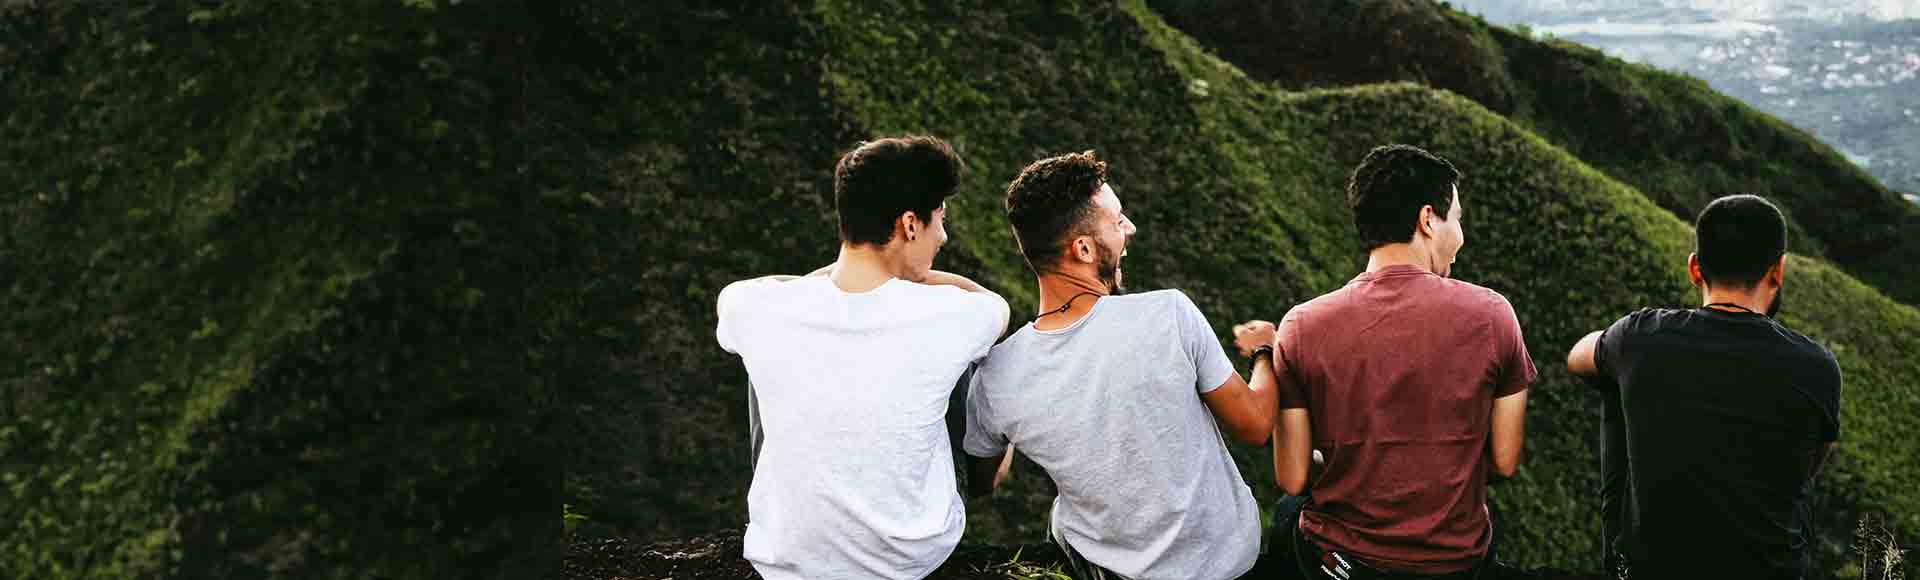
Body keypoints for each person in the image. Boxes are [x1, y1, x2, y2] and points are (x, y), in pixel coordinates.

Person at [961, 150, 1278, 580]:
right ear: (1084, 248)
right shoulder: (1169, 314)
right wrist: (1264, 351)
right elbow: (1256, 424)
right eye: (1117, 220)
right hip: (1228, 564)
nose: (1130, 228)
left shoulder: (997, 376)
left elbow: (982, 481)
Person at [715, 135, 1010, 580]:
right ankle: (975, 487)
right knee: (969, 360)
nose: (943, 237)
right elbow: (996, 308)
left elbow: (737, 295)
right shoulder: (951, 313)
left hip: (785, 561)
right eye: (940, 220)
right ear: (910, 225)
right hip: (910, 558)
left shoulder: (760, 307)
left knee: (769, 352)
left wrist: (831, 278)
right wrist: (919, 277)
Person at [1263, 144, 1533, 579]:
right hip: (1454, 565)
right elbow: (1503, 461)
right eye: (1457, 219)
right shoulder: (1493, 315)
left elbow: (1293, 477)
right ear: (1427, 219)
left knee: (1286, 513)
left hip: (1341, 566)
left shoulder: (1301, 325)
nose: (1460, 237)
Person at [1566, 194, 1840, 580]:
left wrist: (1618, 344)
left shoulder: (1640, 337)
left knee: (1613, 379)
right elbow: (1809, 465)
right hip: (1769, 570)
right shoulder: (1817, 367)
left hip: (1654, 569)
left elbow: (1577, 358)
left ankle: (1621, 562)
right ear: (1777, 271)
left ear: (1694, 268)